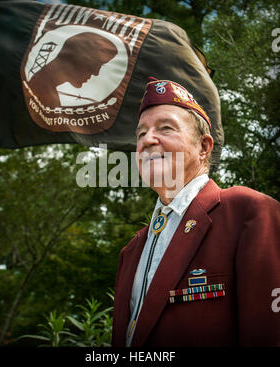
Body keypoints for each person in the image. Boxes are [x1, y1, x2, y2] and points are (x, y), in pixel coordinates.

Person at [112, 76, 280, 347]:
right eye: (141, 134)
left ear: (204, 147)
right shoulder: (131, 251)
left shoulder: (247, 212)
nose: (147, 140)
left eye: (165, 128)